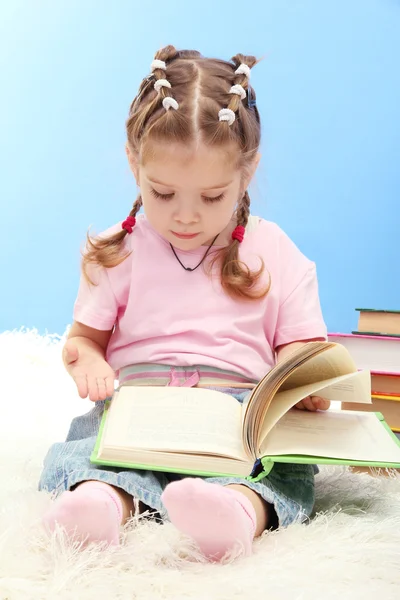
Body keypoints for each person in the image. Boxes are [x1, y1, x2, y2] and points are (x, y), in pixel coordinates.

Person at [39, 45, 329, 562]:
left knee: (279, 469)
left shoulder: (276, 250)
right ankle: (101, 505)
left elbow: (304, 345)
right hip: (141, 411)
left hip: (237, 415)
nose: (186, 218)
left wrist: (296, 385)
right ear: (134, 164)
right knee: (93, 455)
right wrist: (88, 363)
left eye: (213, 197)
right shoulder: (118, 250)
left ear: (248, 170)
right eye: (164, 194)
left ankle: (233, 514)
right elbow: (83, 340)